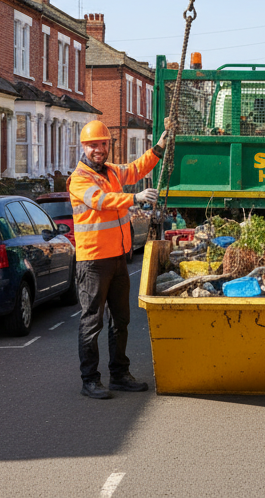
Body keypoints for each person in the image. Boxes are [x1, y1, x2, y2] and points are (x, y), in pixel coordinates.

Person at [69, 119, 171, 400]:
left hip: (116, 258)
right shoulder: (79, 178)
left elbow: (137, 168)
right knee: (92, 321)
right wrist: (134, 197)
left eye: (103, 144)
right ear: (84, 147)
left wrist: (159, 147)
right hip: (93, 261)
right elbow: (101, 201)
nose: (98, 150)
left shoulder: (112, 171)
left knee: (121, 320)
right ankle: (89, 380)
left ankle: (119, 375)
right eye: (93, 145)